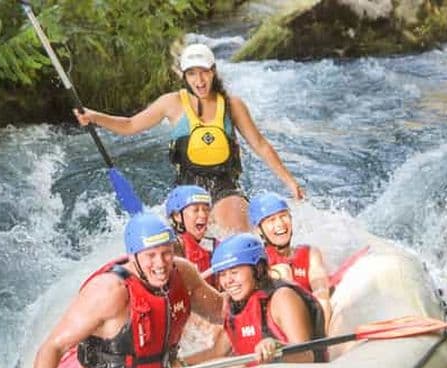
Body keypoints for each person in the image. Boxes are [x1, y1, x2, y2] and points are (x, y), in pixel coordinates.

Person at [73, 42, 304, 233]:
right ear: (184, 76)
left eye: (204, 72)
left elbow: (261, 146)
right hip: (186, 190)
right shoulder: (171, 103)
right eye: (192, 74)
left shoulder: (233, 105)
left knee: (237, 235)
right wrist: (95, 117)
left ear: (213, 71)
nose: (199, 80)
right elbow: (130, 125)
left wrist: (290, 182)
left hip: (225, 187)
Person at [32, 212, 224, 368]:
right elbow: (53, 346)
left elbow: (220, 311)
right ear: (133, 256)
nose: (160, 263)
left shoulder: (183, 273)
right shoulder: (108, 291)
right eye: (150, 255)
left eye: (166, 253)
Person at [185, 233, 327, 366]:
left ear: (258, 269)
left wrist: (278, 347)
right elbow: (217, 353)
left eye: (234, 272)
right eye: (222, 274)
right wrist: (178, 364)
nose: (228, 281)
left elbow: (307, 356)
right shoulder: (234, 305)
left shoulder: (282, 299)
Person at [248, 191, 332, 332]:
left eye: (283, 216)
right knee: (282, 271)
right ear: (259, 230)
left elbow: (321, 290)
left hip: (309, 316)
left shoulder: (309, 253)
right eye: (271, 220)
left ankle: (322, 345)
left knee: (323, 301)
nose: (280, 224)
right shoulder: (257, 261)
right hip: (274, 325)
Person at [165, 184, 217, 279]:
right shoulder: (174, 246)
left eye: (206, 210)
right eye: (196, 210)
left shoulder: (214, 244)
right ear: (177, 216)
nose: (203, 215)